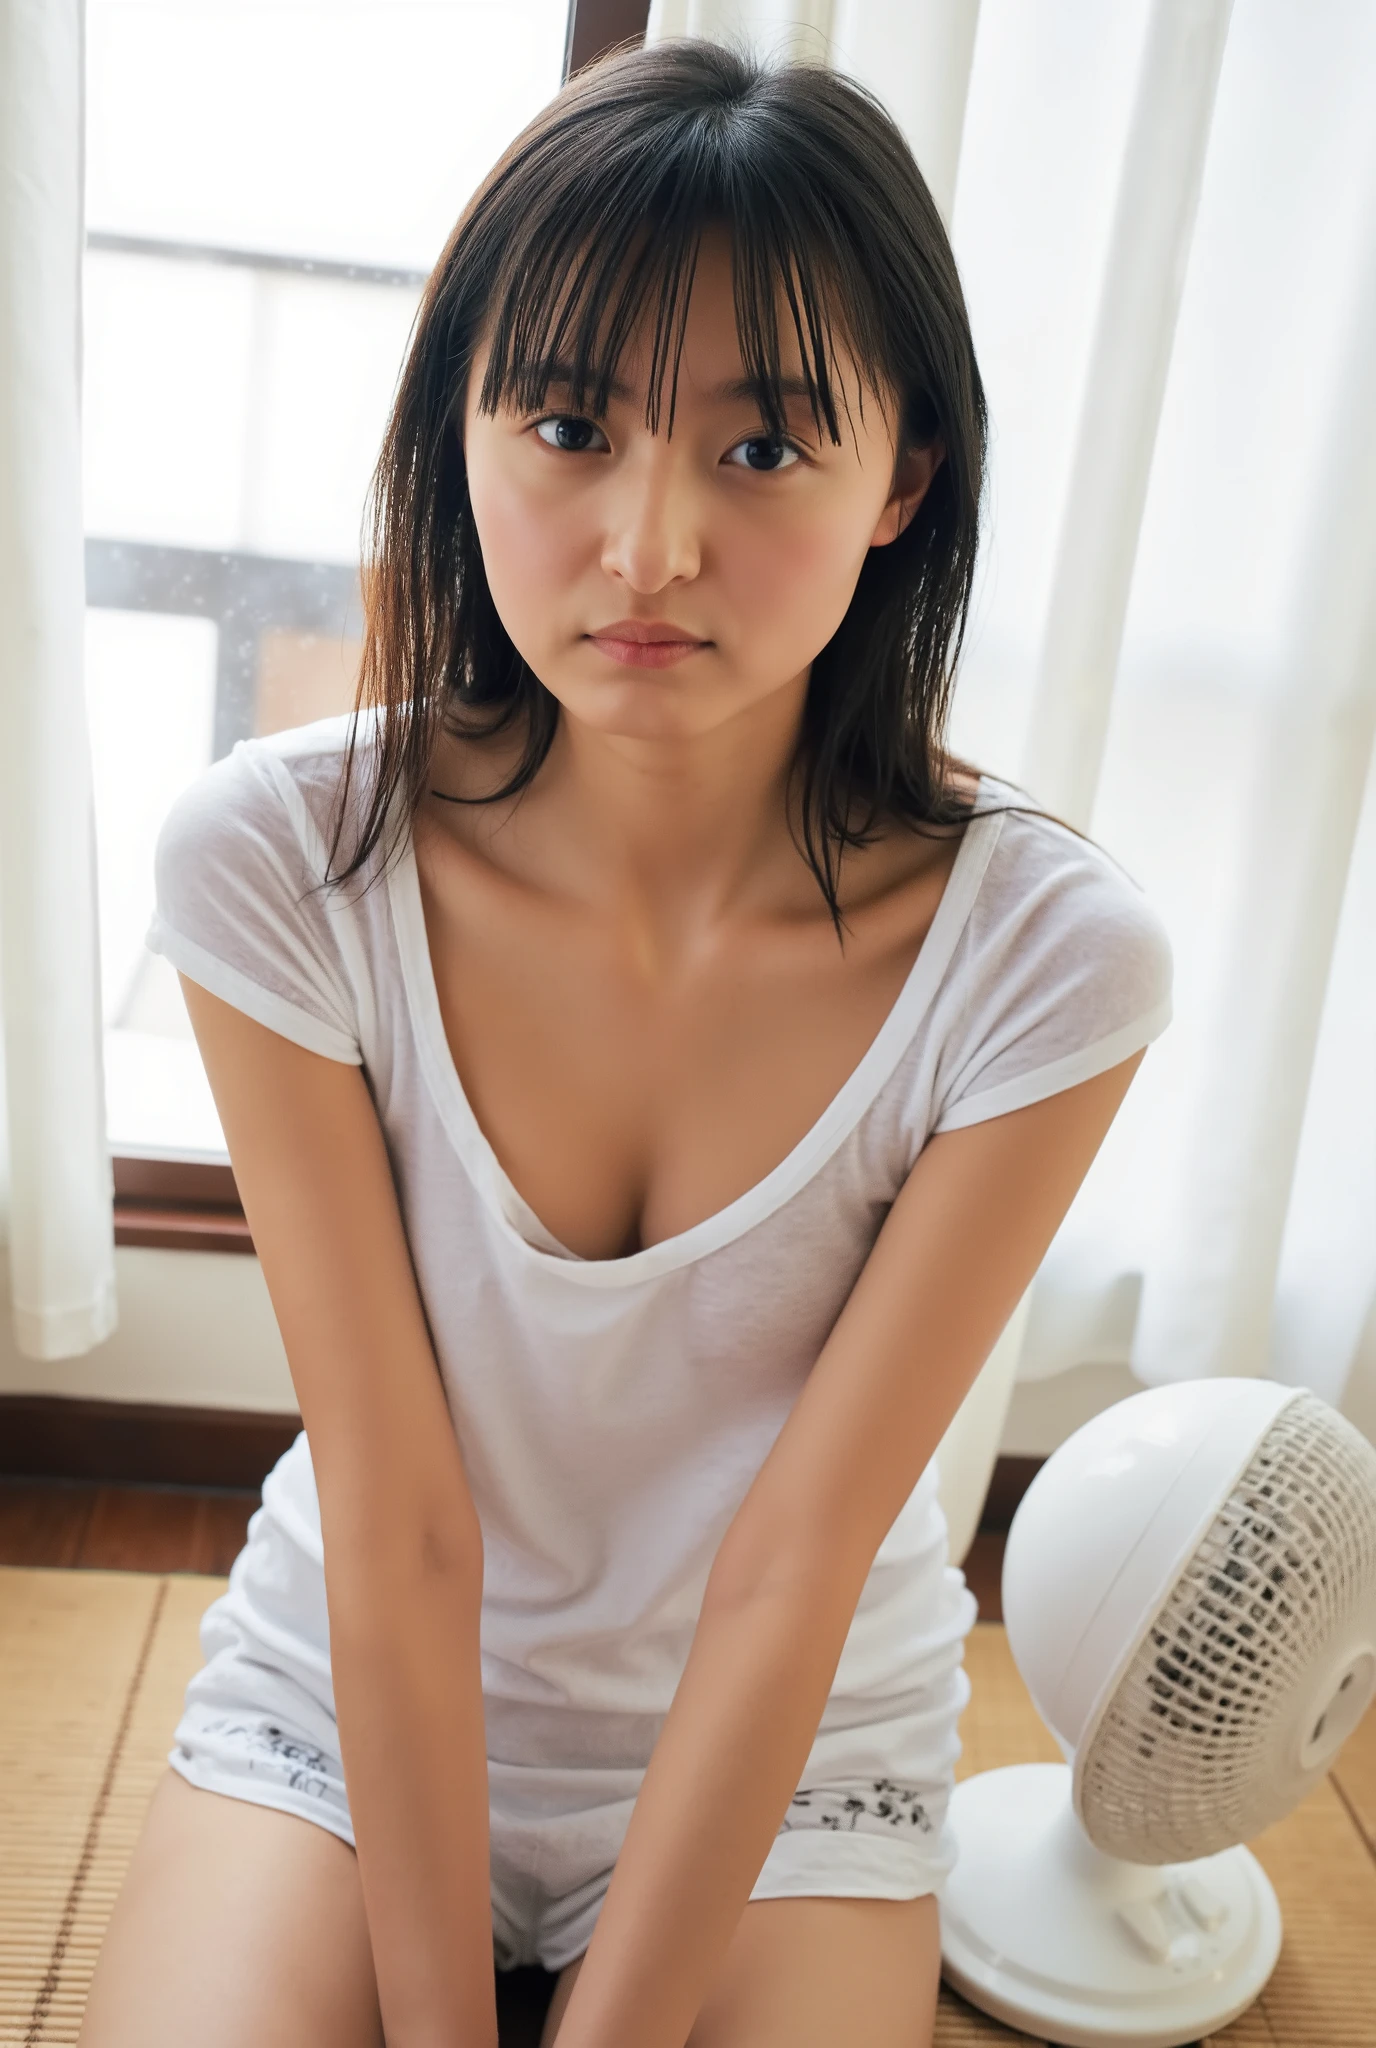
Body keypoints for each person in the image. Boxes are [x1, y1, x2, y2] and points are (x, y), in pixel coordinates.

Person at [79, 37, 1172, 2048]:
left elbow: (793, 1562)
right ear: (465, 433)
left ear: (900, 478)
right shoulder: (278, 859)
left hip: (795, 1740)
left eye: (761, 449)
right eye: (569, 423)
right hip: (351, 1692)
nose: (650, 541)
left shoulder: (1044, 952)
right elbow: (402, 1530)